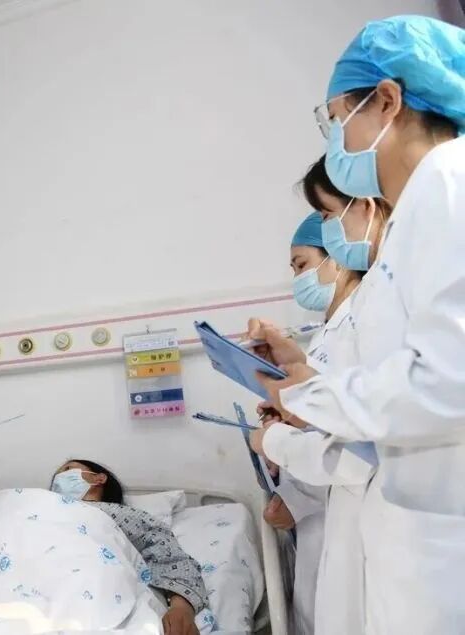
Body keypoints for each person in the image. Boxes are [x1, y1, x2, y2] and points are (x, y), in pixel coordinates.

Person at [252, 16, 465, 633]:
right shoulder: (418, 208)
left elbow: (448, 380)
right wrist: (306, 382)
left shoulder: (447, 179)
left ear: (388, 101)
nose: (337, 139)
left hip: (439, 545)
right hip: (413, 534)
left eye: (339, 117)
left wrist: (309, 397)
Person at [251, 184, 385, 634]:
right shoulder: (330, 330)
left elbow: (357, 449)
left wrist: (277, 440)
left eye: (302, 264)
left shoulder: (369, 316)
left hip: (354, 510)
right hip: (335, 511)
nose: (297, 278)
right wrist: (289, 411)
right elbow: (333, 412)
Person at [50, 460, 207, 635]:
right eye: (56, 476)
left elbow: (169, 555)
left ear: (99, 478)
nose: (59, 477)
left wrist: (181, 608)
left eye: (68, 469)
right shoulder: (42, 508)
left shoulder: (122, 514)